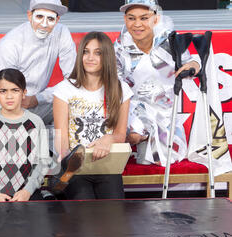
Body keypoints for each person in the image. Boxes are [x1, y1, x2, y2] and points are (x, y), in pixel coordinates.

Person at [114, 0, 200, 166]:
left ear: (155, 18)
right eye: (131, 18)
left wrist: (193, 66)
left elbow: (191, 64)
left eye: (144, 18)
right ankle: (139, 136)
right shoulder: (119, 48)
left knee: (162, 159)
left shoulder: (170, 42)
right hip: (131, 110)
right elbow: (113, 86)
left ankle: (146, 137)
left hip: (164, 113)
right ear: (125, 19)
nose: (137, 24)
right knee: (134, 138)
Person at [52, 32, 133, 200]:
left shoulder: (121, 89)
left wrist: (107, 139)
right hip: (76, 168)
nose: (90, 58)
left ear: (107, 57)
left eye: (97, 53)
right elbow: (62, 140)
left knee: (113, 214)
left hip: (107, 165)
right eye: (86, 52)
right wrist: (69, 164)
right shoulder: (64, 89)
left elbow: (120, 134)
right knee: (85, 215)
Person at [0, 0, 76, 128]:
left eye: (50, 18)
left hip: (38, 102)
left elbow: (74, 79)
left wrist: (39, 98)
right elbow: (6, 92)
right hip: (4, 106)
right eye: (39, 17)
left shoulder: (61, 33)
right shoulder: (11, 42)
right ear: (29, 15)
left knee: (76, 103)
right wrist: (33, 99)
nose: (44, 24)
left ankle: (61, 147)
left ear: (57, 20)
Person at [0, 68, 52, 202]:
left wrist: (27, 191)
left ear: (24, 93)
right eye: (3, 91)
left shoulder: (36, 123)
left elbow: (43, 162)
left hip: (29, 195)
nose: (9, 96)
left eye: (15, 90)